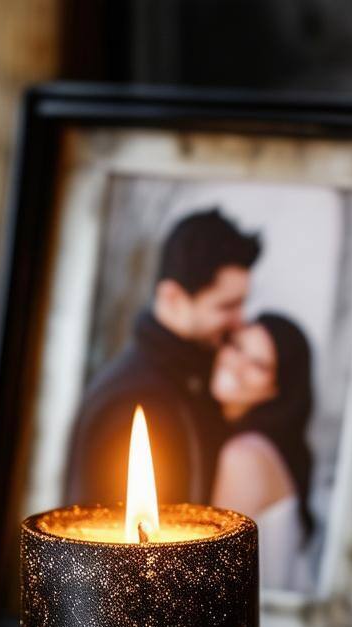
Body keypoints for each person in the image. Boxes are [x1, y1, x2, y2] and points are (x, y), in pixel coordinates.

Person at [63, 208, 262, 506]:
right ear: (172, 298)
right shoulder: (135, 399)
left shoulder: (195, 382)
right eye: (226, 306)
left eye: (242, 304)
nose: (240, 320)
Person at [210, 313, 314, 591]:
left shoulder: (245, 456)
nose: (237, 365)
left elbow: (216, 576)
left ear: (276, 390)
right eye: (238, 346)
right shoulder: (255, 445)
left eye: (258, 364)